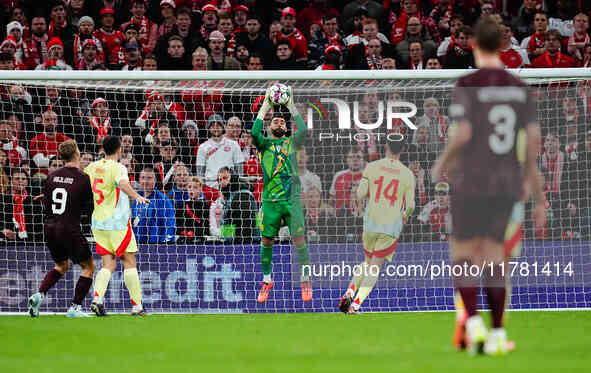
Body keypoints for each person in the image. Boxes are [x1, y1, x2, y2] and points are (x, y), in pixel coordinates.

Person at [431, 17, 545, 356]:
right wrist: (536, 193)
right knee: (495, 258)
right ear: (502, 45)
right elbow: (534, 142)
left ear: (475, 45)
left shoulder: (468, 83)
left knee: (464, 255)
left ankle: (472, 322)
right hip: (507, 181)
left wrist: (443, 162)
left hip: (471, 179)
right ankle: (497, 334)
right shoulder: (518, 86)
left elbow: (463, 133)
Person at [338, 135, 415, 314]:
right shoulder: (407, 174)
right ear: (403, 149)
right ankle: (355, 305)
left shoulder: (371, 167)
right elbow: (411, 205)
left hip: (371, 222)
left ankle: (349, 292)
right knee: (375, 266)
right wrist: (404, 216)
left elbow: (360, 194)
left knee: (366, 261)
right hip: (391, 226)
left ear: (386, 146)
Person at [252, 86, 311, 303]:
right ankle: (267, 280)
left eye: (283, 122)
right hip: (270, 201)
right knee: (267, 240)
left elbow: (303, 131)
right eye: (275, 121)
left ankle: (305, 279)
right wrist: (266, 105)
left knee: (299, 239)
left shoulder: (292, 142)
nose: (279, 122)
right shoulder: (264, 144)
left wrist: (291, 106)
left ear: (286, 129)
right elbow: (253, 132)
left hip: (291, 199)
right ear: (269, 126)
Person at [84, 136, 150, 316]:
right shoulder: (118, 167)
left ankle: (97, 299)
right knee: (129, 261)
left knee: (108, 264)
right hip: (117, 222)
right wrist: (136, 196)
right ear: (119, 149)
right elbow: (122, 183)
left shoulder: (92, 167)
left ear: (103, 149)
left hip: (98, 223)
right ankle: (137, 306)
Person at [28, 140, 95, 318]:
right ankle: (75, 308)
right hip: (69, 229)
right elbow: (89, 208)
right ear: (77, 153)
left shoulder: (51, 176)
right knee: (88, 267)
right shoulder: (83, 177)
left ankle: (38, 295)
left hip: (50, 228)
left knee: (61, 265)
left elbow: (51, 199)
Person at [131, 166, 176, 244]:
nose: (145, 181)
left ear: (155, 180)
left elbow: (170, 225)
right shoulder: (136, 198)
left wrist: (164, 245)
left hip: (156, 247)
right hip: (137, 245)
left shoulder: (163, 200)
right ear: (139, 180)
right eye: (143, 178)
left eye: (149, 178)